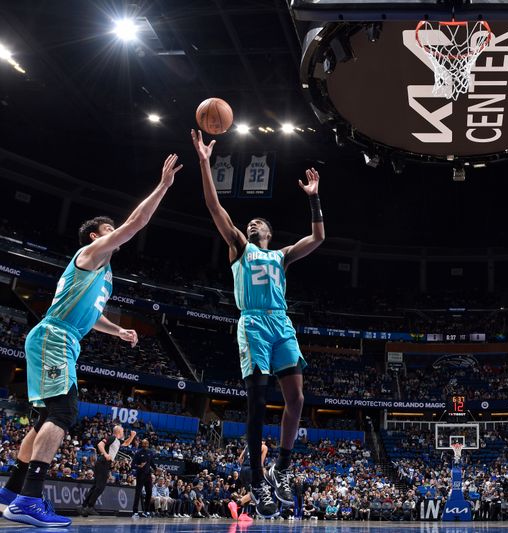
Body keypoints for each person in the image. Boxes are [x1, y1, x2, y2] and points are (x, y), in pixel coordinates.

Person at [1, 155, 182, 528]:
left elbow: (93, 314)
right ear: (96, 237)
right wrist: (162, 186)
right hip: (55, 336)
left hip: (60, 337)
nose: (117, 232)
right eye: (109, 229)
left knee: (41, 420)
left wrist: (118, 330)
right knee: (63, 414)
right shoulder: (89, 255)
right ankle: (29, 499)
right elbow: (136, 223)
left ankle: (10, 494)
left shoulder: (105, 273)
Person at [191, 130, 325, 515]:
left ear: (269, 233)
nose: (252, 224)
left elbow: (318, 237)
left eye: (258, 223)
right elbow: (214, 206)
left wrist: (314, 198)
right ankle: (255, 478)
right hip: (252, 324)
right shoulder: (238, 246)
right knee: (256, 401)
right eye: (250, 223)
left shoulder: (282, 255)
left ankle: (280, 468)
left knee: (297, 398)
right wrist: (204, 162)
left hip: (281, 324)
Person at [79, 425, 136, 516]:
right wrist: (105, 454)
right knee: (100, 487)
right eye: (122, 431)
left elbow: (126, 443)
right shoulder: (112, 438)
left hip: (105, 463)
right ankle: (89, 506)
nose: (123, 432)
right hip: (103, 462)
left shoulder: (117, 441)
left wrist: (132, 436)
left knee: (96, 486)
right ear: (118, 432)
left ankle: (84, 506)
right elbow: (100, 445)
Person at [132, 439, 155, 517]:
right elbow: (132, 465)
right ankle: (135, 512)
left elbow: (151, 463)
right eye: (144, 443)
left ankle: (146, 511)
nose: (146, 445)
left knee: (149, 492)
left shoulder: (150, 452)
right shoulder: (138, 453)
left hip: (148, 475)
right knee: (138, 493)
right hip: (140, 475)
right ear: (142, 444)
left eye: (147, 443)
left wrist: (156, 469)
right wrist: (139, 466)